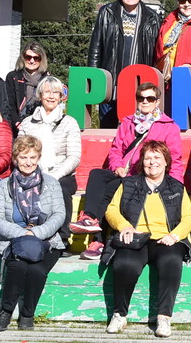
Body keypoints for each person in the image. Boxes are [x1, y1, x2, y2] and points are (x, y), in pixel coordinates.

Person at [74, 82, 183, 260]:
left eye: (150, 98)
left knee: (111, 191)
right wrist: (117, 166)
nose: (145, 102)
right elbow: (116, 150)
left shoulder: (168, 127)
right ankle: (90, 218)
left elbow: (175, 159)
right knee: (97, 174)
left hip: (144, 176)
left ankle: (99, 241)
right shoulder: (127, 123)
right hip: (123, 172)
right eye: (141, 98)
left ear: (157, 102)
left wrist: (176, 185)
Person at [102, 140, 191, 338]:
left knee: (172, 261)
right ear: (141, 161)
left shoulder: (177, 187)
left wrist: (174, 235)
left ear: (166, 161)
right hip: (136, 237)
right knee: (125, 264)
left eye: (157, 157)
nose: (152, 162)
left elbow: (188, 218)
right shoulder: (128, 184)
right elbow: (112, 210)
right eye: (148, 158)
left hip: (166, 239)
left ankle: (164, 317)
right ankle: (119, 314)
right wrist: (124, 226)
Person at [0, 135, 68, 332]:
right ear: (15, 158)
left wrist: (36, 233)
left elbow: (59, 215)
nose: (28, 162)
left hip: (47, 240)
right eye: (23, 157)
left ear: (39, 158)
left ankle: (27, 314)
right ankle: (5, 312)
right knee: (17, 266)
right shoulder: (2, 186)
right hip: (12, 239)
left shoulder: (51, 183)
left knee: (36, 270)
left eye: (33, 157)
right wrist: (21, 234)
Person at [88, 0, 163, 128]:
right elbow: (96, 47)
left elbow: (156, 51)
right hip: (111, 81)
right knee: (107, 126)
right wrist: (93, 77)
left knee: (137, 127)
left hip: (139, 83)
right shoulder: (107, 12)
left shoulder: (152, 17)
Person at [17, 75, 82, 234]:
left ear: (61, 96)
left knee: (60, 189)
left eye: (55, 92)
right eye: (47, 92)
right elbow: (19, 152)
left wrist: (54, 176)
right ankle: (24, 233)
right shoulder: (27, 123)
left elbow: (74, 157)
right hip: (32, 171)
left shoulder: (69, 122)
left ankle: (63, 237)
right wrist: (34, 172)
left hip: (62, 174)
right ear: (40, 95)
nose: (51, 96)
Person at [5, 42, 48, 130]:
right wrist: (17, 122)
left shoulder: (47, 79)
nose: (32, 61)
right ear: (23, 58)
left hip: (41, 126)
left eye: (36, 58)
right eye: (28, 57)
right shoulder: (13, 77)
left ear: (41, 59)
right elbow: (9, 103)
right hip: (17, 125)